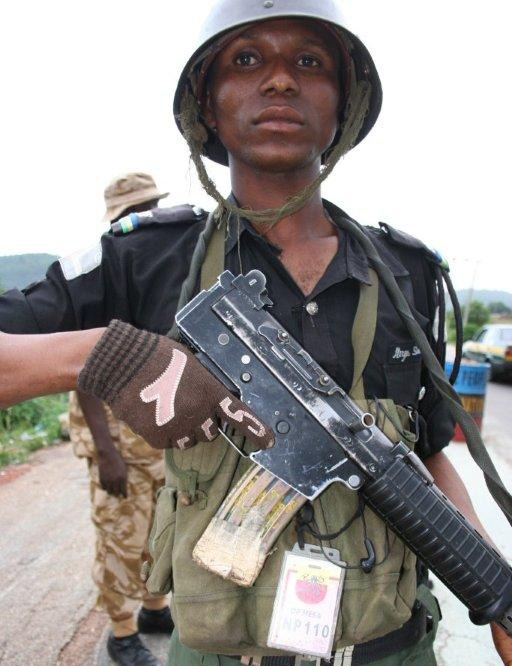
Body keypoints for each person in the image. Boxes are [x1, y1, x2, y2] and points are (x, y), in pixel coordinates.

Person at [0, 2, 511, 665]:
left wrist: (498, 593)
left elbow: (432, 459)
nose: (278, 81)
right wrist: (105, 352)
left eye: (309, 61)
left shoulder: (407, 274)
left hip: (390, 648)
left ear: (343, 106)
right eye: (246, 59)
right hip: (219, 652)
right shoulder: (149, 258)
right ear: (208, 106)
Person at [67, 173, 172, 666]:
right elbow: (82, 368)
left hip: (157, 435)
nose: (147, 215)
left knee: (157, 530)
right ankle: (122, 631)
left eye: (152, 205)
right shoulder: (105, 272)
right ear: (118, 219)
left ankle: (154, 609)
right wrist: (105, 450)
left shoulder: (160, 266)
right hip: (117, 439)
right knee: (120, 536)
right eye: (138, 208)